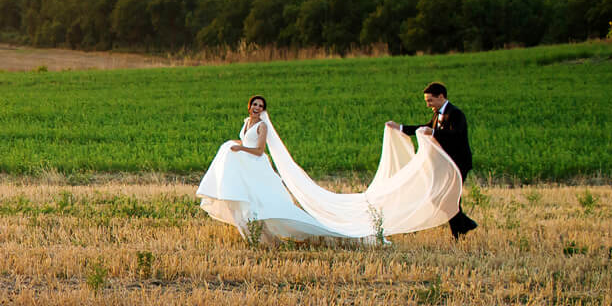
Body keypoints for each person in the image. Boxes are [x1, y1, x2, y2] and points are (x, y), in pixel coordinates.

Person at [198, 93, 464, 245]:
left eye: (261, 106)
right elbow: (245, 141)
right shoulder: (246, 122)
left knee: (269, 203)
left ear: (264, 110)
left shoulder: (263, 126)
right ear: (249, 107)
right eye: (254, 105)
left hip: (256, 165)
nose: (257, 108)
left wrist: (239, 149)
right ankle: (258, 235)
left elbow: (258, 150)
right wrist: (236, 143)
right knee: (251, 202)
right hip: (248, 168)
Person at [386, 82, 475, 239]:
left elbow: (455, 135)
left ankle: (460, 231)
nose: (428, 105)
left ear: (441, 97)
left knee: (449, 197)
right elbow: (425, 127)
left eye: (430, 101)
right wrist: (400, 128)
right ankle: (464, 226)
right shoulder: (438, 113)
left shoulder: (455, 114)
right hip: (445, 164)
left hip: (458, 163)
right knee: (439, 196)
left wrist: (433, 132)